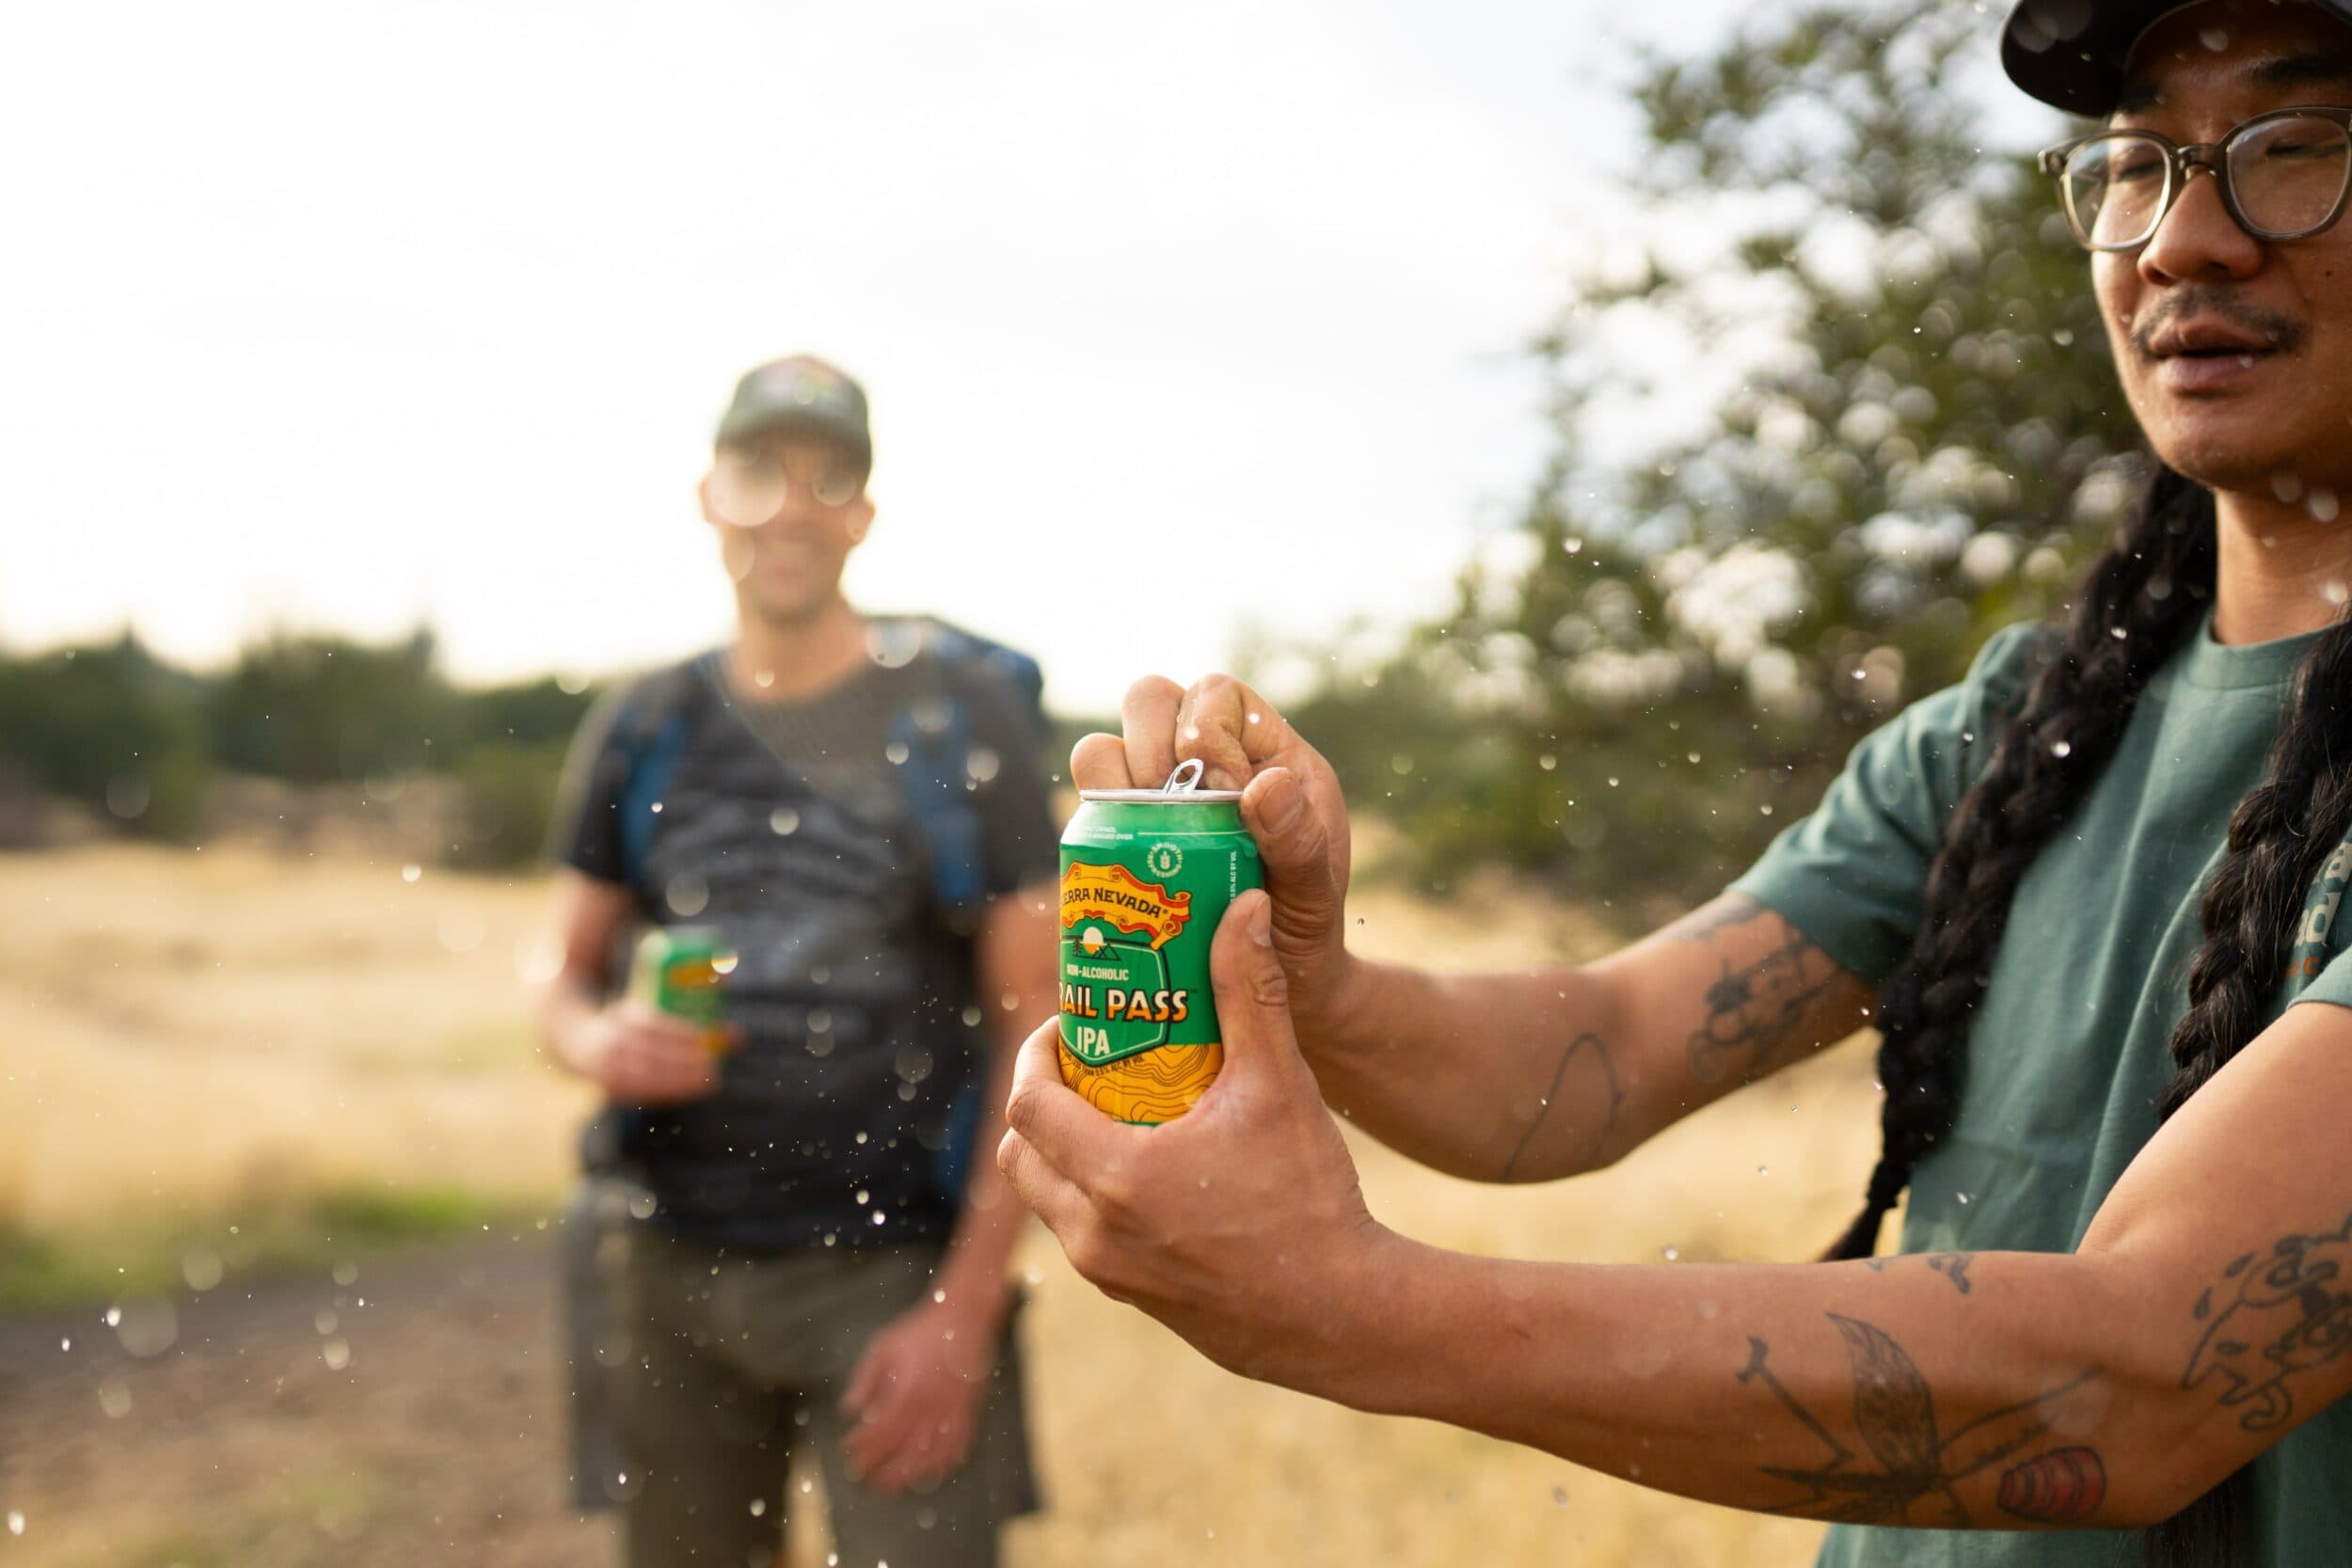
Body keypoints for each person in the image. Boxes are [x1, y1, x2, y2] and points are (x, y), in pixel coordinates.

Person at [993, 3, 2352, 1565]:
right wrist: (1310, 975)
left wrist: (1353, 1307)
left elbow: (2139, 1374)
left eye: (2290, 149)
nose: (2184, 239)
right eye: (2138, 163)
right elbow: (1609, 1047)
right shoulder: (2028, 725)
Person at [537, 354, 1058, 1568]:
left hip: (890, 1279)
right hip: (665, 1269)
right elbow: (556, 977)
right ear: (709, 496)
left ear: (865, 516)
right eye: (758, 472)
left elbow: (1042, 1032)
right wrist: (595, 1038)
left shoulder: (958, 718)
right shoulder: (644, 725)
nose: (791, 506)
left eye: (830, 479)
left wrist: (963, 1314)